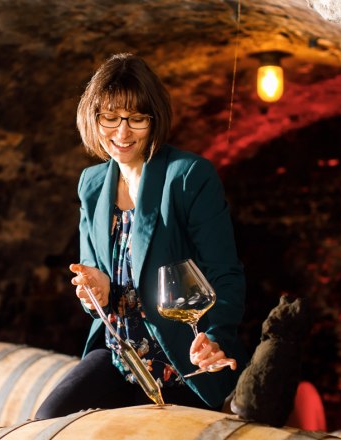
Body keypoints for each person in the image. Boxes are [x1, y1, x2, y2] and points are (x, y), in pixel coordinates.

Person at [35, 53, 247, 419]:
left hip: (183, 359)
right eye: (111, 118)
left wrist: (214, 338)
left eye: (136, 119)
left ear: (155, 119)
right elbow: (92, 283)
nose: (122, 133)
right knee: (49, 420)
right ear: (93, 118)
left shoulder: (188, 176)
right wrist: (95, 290)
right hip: (119, 354)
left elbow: (225, 274)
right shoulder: (91, 183)